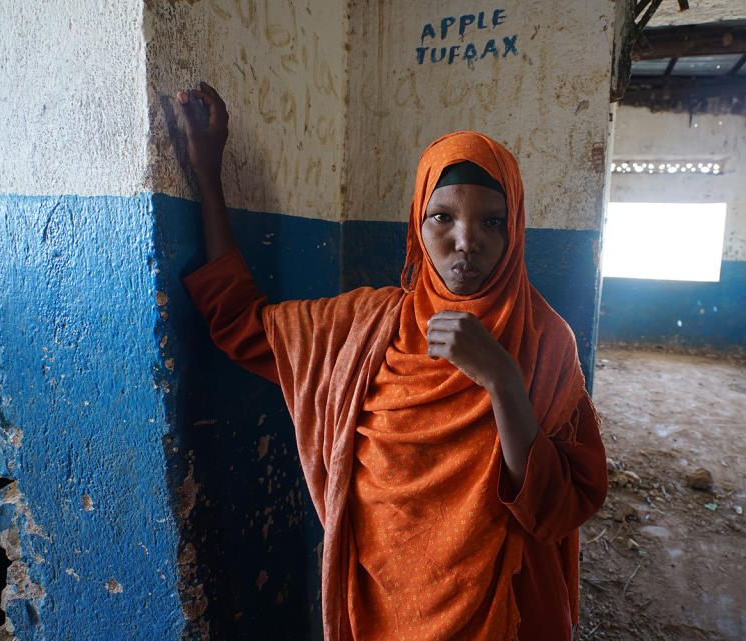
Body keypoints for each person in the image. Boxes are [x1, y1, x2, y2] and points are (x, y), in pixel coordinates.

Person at [178, 82, 607, 641]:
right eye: (442, 218)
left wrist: (503, 380)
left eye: (491, 221)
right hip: (377, 612)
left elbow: (562, 505)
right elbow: (239, 322)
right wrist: (208, 179)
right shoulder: (363, 329)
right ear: (417, 225)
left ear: (516, 227)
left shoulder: (547, 342)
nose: (465, 241)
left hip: (502, 617)